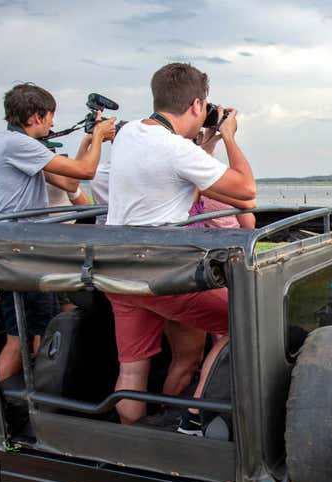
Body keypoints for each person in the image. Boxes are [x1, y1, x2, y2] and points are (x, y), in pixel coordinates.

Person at [105, 63, 256, 426]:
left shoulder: (129, 134)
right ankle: (194, 418)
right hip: (162, 273)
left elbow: (173, 172)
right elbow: (246, 191)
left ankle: (130, 437)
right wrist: (229, 137)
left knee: (132, 371)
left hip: (116, 270)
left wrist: (207, 141)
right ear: (196, 105)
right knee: (243, 319)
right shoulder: (175, 149)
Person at [0, 83, 115, 382]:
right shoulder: (17, 145)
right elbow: (86, 172)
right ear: (36, 117)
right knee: (24, 339)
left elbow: (70, 183)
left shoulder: (16, 144)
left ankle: (24, 393)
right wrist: (99, 136)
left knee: (34, 332)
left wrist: (87, 142)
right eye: (50, 117)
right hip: (22, 254)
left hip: (26, 252)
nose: (53, 123)